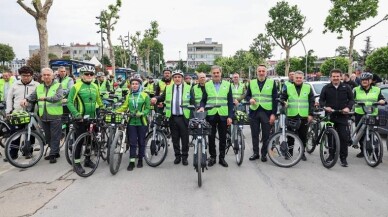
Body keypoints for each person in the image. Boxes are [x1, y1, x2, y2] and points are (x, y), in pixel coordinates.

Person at [22, 68, 63, 163]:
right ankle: (55, 151)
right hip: (43, 116)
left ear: (52, 76)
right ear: (42, 77)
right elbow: (33, 96)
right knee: (48, 136)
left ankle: (53, 154)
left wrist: (46, 98)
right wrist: (26, 100)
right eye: (44, 75)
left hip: (55, 115)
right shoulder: (39, 87)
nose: (46, 76)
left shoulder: (58, 85)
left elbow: (58, 97)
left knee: (55, 136)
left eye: (48, 75)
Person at [67, 67, 103, 174]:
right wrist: (76, 114)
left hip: (92, 117)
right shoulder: (76, 86)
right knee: (80, 141)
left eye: (91, 74)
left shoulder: (95, 86)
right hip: (80, 118)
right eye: (86, 74)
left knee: (90, 140)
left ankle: (87, 160)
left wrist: (103, 108)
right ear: (82, 75)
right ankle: (76, 163)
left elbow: (98, 100)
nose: (89, 76)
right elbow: (69, 102)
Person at [151, 70, 191, 165]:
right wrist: (156, 98)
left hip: (184, 117)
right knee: (175, 139)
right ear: (173, 79)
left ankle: (184, 157)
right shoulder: (168, 88)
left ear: (182, 78)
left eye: (179, 77)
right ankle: (177, 156)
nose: (177, 79)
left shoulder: (189, 88)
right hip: (172, 117)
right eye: (175, 77)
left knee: (185, 139)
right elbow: (162, 97)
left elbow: (192, 102)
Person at [199, 66, 234, 167]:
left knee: (223, 138)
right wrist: (202, 107)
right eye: (214, 73)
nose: (216, 74)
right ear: (211, 73)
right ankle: (213, 157)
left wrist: (230, 116)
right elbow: (203, 100)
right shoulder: (207, 85)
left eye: (217, 73)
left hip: (223, 115)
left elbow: (230, 102)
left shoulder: (227, 85)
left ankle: (222, 158)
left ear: (220, 73)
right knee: (211, 137)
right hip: (211, 114)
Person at [319, 69, 354, 167]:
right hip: (330, 116)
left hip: (343, 115)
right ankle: (331, 155)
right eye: (334, 76)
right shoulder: (326, 88)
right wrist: (326, 107)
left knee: (344, 137)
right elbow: (321, 100)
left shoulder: (346, 87)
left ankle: (343, 158)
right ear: (331, 77)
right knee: (331, 137)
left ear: (341, 77)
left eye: (337, 76)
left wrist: (348, 107)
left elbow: (351, 100)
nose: (335, 78)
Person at [4, 66, 39, 162]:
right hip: (17, 114)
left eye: (28, 75)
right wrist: (8, 111)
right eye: (24, 75)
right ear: (20, 75)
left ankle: (28, 152)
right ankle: (12, 154)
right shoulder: (15, 85)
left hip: (31, 114)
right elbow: (9, 99)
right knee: (15, 134)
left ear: (31, 75)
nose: (26, 77)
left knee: (31, 134)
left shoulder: (37, 85)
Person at [245, 64, 278, 163]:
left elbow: (275, 99)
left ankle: (264, 154)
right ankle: (255, 153)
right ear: (257, 72)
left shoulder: (272, 83)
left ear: (266, 72)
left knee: (266, 135)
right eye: (259, 71)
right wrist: (250, 99)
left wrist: (273, 114)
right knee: (254, 134)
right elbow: (247, 95)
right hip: (254, 112)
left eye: (263, 71)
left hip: (266, 112)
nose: (261, 73)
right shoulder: (251, 82)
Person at [116, 77, 150, 171]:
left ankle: (140, 160)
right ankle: (131, 161)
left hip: (142, 122)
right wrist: (116, 111)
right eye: (133, 84)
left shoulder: (145, 95)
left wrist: (142, 113)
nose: (134, 85)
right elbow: (124, 106)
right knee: (132, 142)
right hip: (131, 122)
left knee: (141, 142)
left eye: (136, 84)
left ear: (140, 85)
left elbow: (148, 108)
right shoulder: (129, 95)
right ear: (130, 85)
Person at [280, 71, 314, 161]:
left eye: (300, 78)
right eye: (297, 78)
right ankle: (289, 153)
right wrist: (284, 102)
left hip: (304, 115)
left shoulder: (308, 87)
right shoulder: (288, 87)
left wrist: (311, 114)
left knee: (303, 136)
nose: (298, 79)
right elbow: (282, 98)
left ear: (303, 78)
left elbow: (311, 102)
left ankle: (302, 153)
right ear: (293, 78)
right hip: (292, 115)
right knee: (290, 136)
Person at [353, 72, 385, 158]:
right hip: (360, 114)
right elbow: (351, 100)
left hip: (372, 114)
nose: (364, 81)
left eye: (366, 80)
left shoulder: (377, 89)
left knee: (372, 134)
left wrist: (382, 101)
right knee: (360, 133)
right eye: (363, 80)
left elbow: (381, 98)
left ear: (370, 81)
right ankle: (363, 151)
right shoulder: (356, 89)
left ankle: (376, 154)